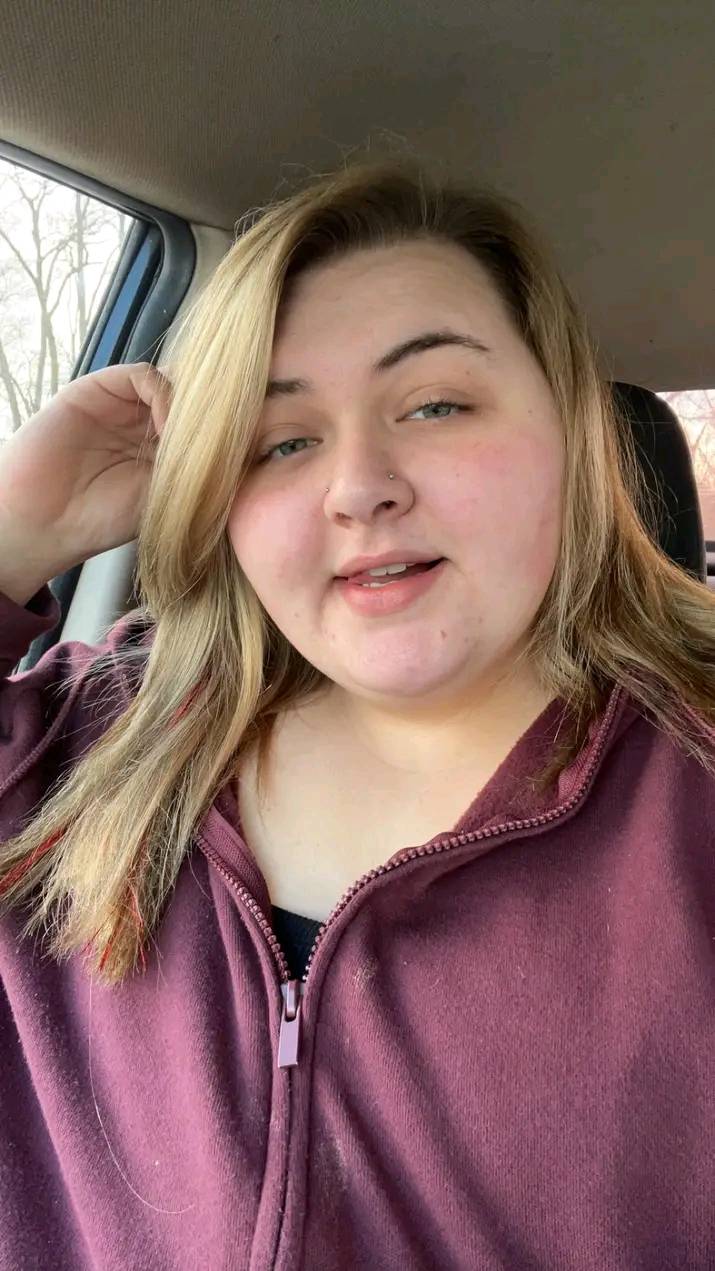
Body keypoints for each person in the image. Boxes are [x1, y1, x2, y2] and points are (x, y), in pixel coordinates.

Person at [0, 156, 713, 1270]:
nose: (359, 485)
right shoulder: (77, 751)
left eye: (434, 404)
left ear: (569, 432)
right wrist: (11, 535)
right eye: (281, 440)